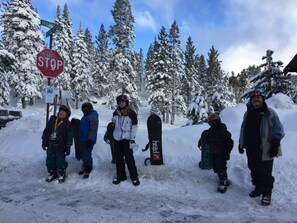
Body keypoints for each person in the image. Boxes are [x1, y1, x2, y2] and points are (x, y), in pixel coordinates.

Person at [238, 89, 285, 206]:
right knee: (253, 168)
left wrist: (275, 143)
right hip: (250, 147)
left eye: (258, 98)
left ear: (262, 99)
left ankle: (267, 194)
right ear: (251, 101)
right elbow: (243, 129)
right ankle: (258, 188)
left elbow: (278, 128)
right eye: (254, 98)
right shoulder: (248, 113)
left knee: (265, 172)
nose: (256, 99)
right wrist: (241, 143)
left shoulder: (269, 112)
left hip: (266, 148)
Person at [198, 114, 234, 193]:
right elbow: (205, 138)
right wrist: (200, 142)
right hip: (213, 153)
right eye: (212, 122)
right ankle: (222, 178)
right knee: (215, 167)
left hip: (221, 154)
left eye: (215, 122)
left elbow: (230, 143)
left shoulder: (224, 132)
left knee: (221, 167)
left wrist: (227, 153)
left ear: (219, 122)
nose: (214, 124)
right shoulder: (210, 131)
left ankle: (223, 181)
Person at [112, 94, 140, 186]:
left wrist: (132, 140)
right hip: (117, 139)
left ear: (126, 103)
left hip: (127, 139)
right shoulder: (115, 113)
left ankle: (134, 177)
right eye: (119, 102)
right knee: (118, 158)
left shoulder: (131, 113)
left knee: (129, 159)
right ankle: (121, 175)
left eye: (123, 102)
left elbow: (134, 127)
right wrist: (109, 133)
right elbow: (113, 125)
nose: (121, 103)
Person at [42, 105, 73, 183]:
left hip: (61, 146)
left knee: (60, 160)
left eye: (63, 112)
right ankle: (52, 173)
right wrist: (44, 142)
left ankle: (62, 173)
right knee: (50, 159)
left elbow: (69, 137)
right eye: (60, 111)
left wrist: (68, 147)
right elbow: (46, 132)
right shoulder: (52, 120)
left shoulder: (68, 124)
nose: (61, 113)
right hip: (51, 144)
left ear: (67, 115)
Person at [78, 102, 99, 178]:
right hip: (83, 139)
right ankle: (85, 165)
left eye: (87, 108)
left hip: (89, 139)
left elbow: (93, 128)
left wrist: (90, 139)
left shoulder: (92, 116)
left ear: (90, 108)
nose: (85, 109)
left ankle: (88, 168)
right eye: (84, 108)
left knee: (87, 153)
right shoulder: (85, 117)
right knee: (83, 154)